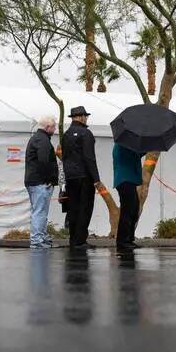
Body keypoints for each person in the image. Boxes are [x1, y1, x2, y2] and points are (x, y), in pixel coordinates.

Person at [61, 106, 100, 249]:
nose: (86, 119)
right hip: (84, 176)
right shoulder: (86, 133)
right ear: (81, 117)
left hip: (71, 176)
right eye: (85, 116)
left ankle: (73, 239)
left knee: (73, 208)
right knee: (85, 208)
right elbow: (89, 157)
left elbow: (64, 157)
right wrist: (96, 178)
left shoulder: (66, 135)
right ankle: (80, 240)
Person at [24, 116, 59, 249]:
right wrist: (49, 179)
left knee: (40, 210)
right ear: (47, 127)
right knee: (39, 211)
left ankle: (41, 237)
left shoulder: (37, 138)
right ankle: (37, 239)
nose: (55, 129)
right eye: (54, 126)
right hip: (40, 182)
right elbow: (44, 161)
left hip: (35, 180)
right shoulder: (43, 140)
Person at [112, 141, 142, 249]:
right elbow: (133, 155)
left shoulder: (125, 143)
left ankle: (129, 238)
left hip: (128, 180)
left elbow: (135, 154)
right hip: (125, 180)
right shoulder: (123, 144)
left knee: (133, 209)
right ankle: (123, 241)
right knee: (128, 211)